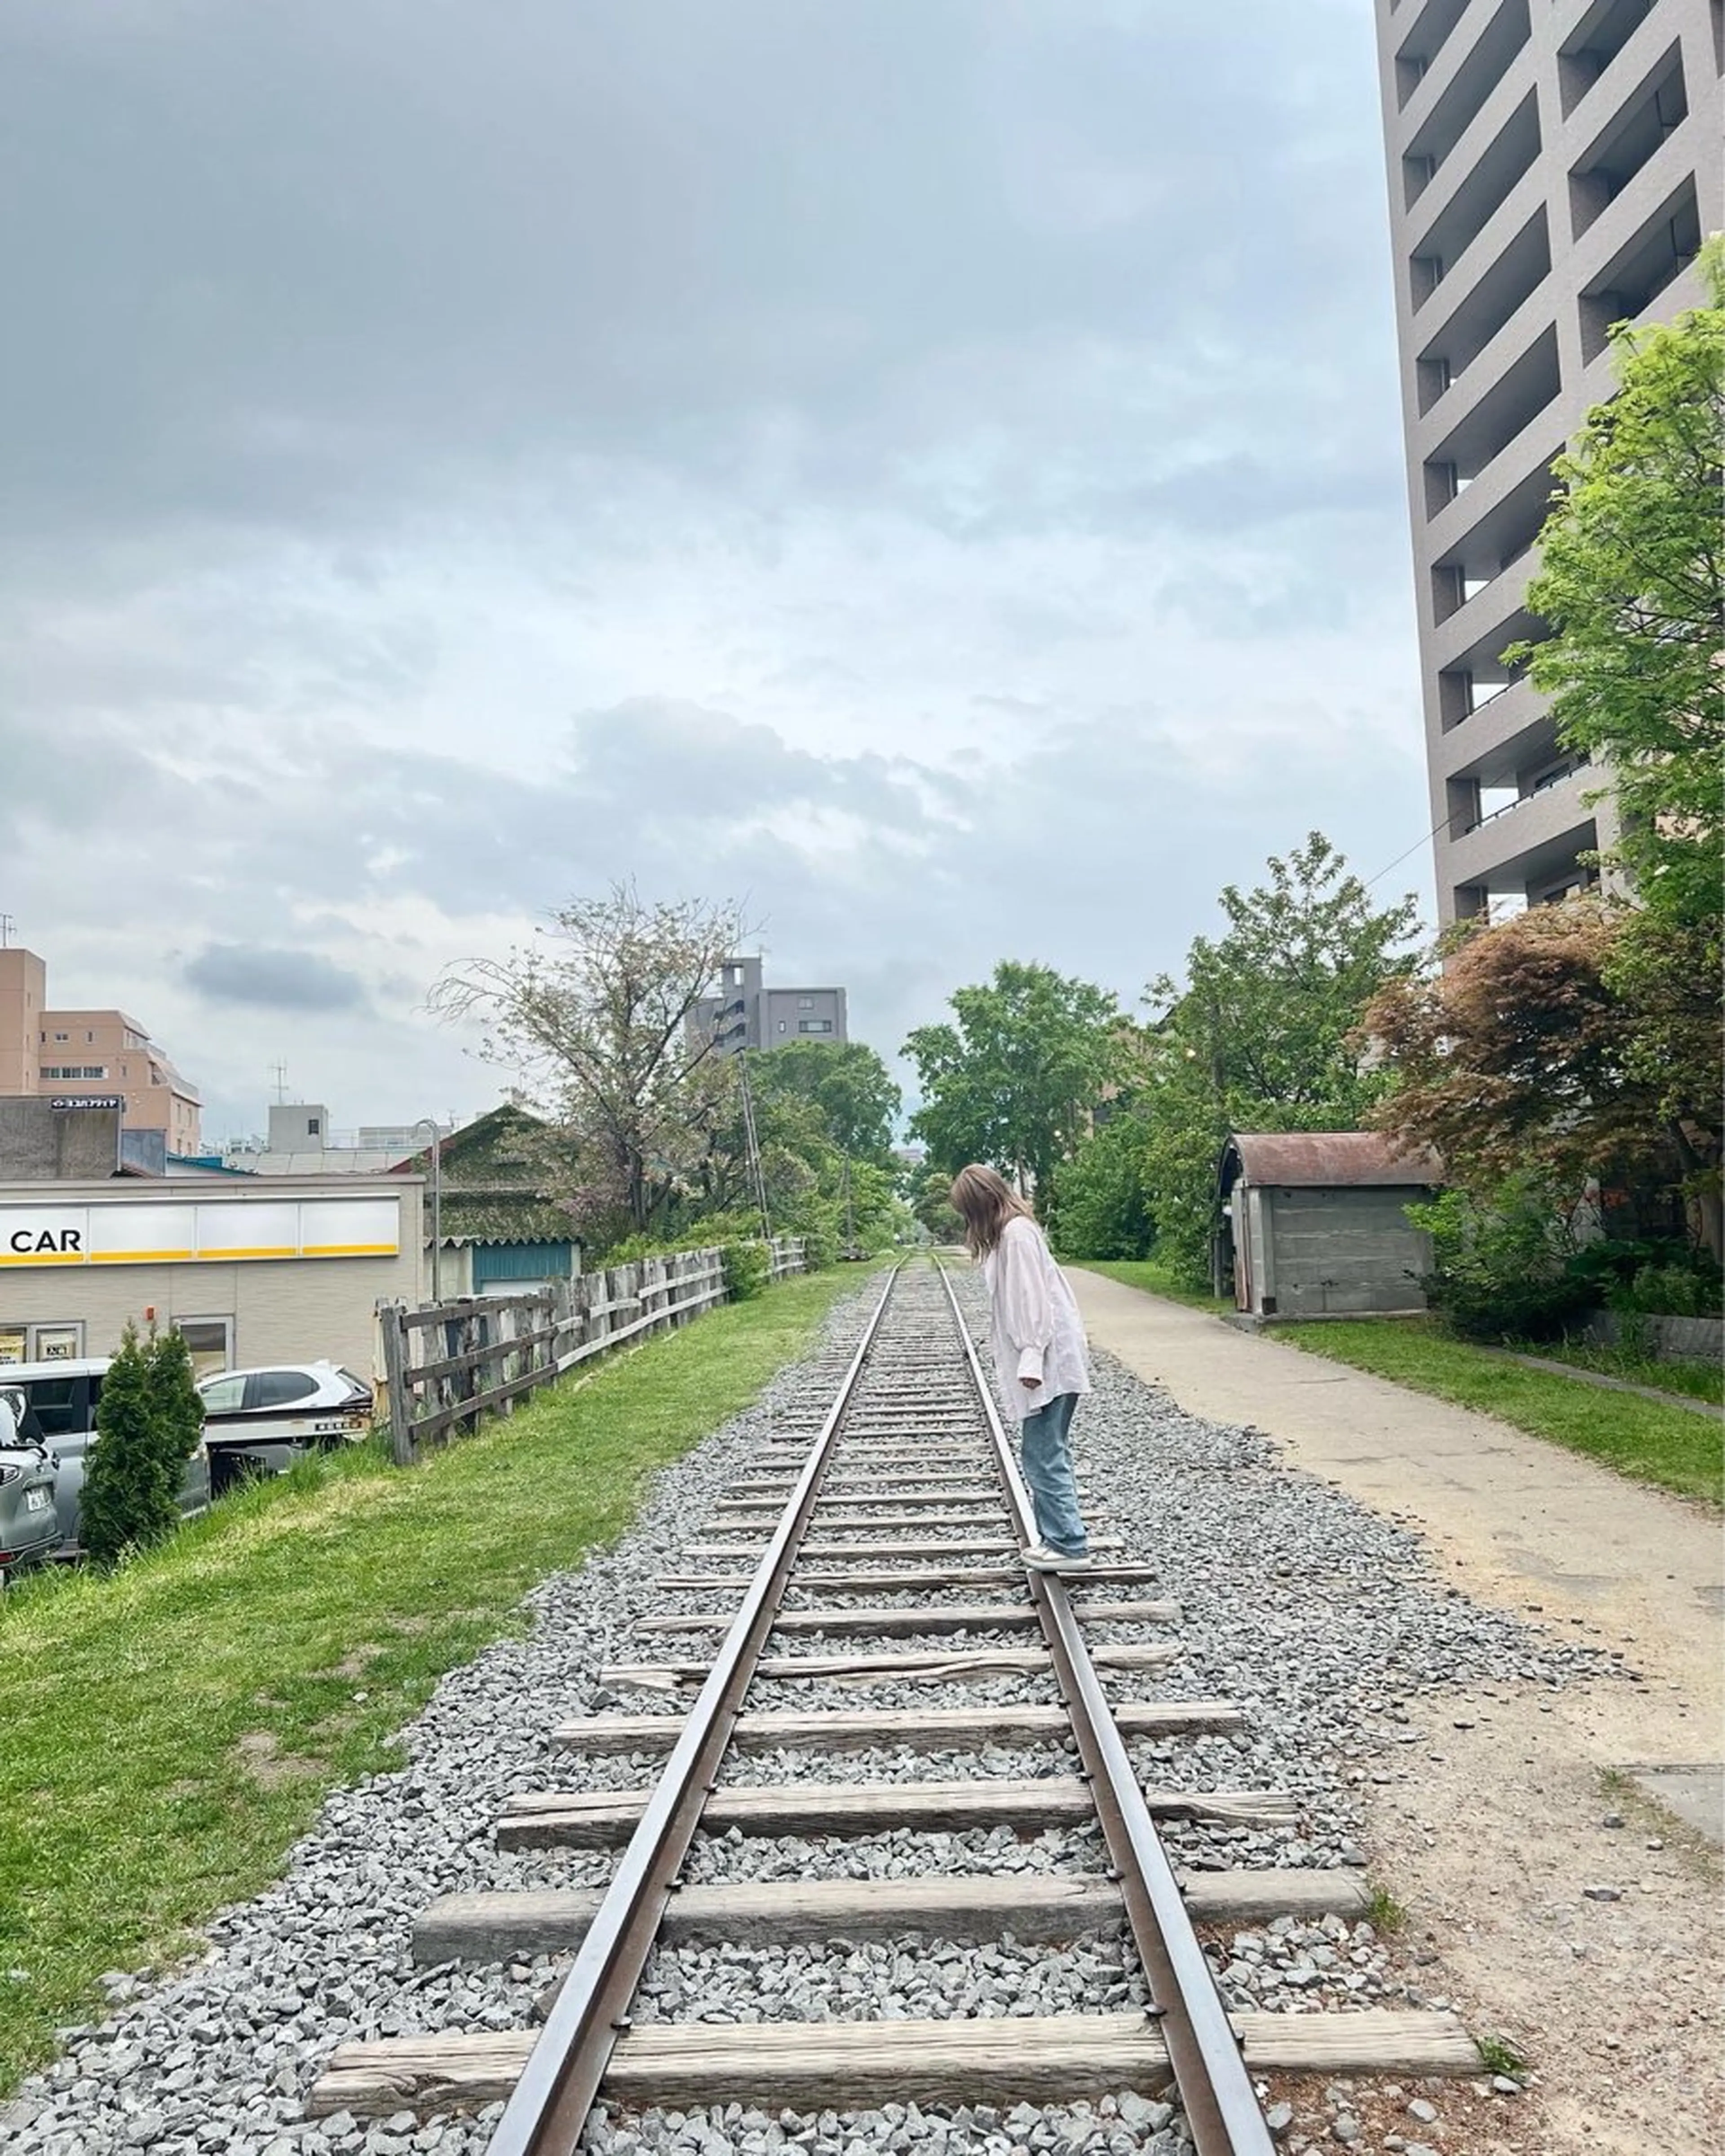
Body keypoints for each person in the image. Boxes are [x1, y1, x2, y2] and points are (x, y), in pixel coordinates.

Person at [949, 1163, 1092, 1573]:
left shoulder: (1016, 1237)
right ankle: (1058, 1538)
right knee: (1046, 1450)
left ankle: (1068, 1542)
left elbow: (1033, 1302)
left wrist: (1031, 1358)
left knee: (1043, 1452)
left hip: (1047, 1360)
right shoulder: (1014, 1234)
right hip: (1047, 1358)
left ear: (979, 1207)